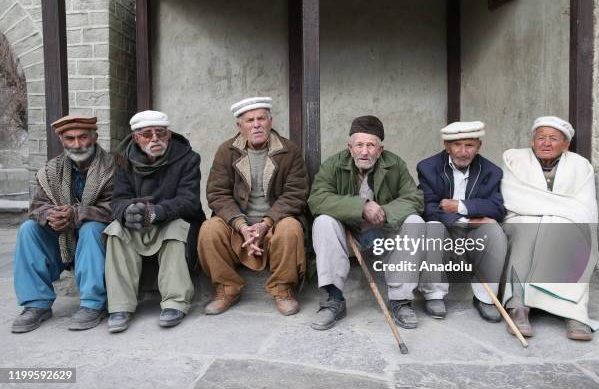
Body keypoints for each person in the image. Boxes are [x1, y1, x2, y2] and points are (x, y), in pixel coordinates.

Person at [308, 115, 426, 330]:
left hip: (384, 231)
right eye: (359, 145)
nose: (364, 151)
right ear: (350, 147)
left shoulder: (395, 164)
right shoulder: (333, 164)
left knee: (415, 221)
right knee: (323, 222)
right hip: (348, 232)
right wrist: (360, 207)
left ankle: (401, 300)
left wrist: (383, 212)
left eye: (371, 145)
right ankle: (334, 299)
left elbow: (414, 198)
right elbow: (317, 199)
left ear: (380, 150)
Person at [198, 97, 309, 316]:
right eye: (249, 120)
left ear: (270, 121)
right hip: (238, 226)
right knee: (209, 229)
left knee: (291, 228)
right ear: (240, 126)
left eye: (261, 119)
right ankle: (227, 289)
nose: (256, 124)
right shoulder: (226, 151)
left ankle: (283, 288)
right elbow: (217, 194)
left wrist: (265, 224)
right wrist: (241, 225)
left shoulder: (290, 150)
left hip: (274, 223)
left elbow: (295, 194)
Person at [104, 110, 205, 332]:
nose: (155, 139)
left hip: (174, 218)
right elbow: (118, 199)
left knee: (174, 230)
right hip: (141, 221)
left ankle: (175, 302)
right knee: (115, 231)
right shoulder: (123, 160)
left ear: (168, 135)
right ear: (136, 138)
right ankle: (120, 305)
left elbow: (190, 202)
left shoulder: (187, 157)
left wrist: (157, 212)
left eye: (160, 133)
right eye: (147, 134)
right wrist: (128, 210)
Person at [502, 116, 599, 341]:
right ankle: (518, 305)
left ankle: (574, 312)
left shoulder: (580, 165)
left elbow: (584, 207)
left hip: (567, 220)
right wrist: (557, 209)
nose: (546, 143)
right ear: (532, 141)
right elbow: (513, 197)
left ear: (565, 145)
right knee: (527, 229)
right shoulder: (514, 158)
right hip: (521, 217)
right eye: (540, 138)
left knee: (570, 232)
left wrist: (550, 212)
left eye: (553, 139)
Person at [12, 114, 113, 333]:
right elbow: (37, 206)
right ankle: (36, 304)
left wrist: (77, 214)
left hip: (98, 239)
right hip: (61, 238)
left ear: (94, 137)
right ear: (62, 141)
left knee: (90, 228)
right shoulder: (51, 171)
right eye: (70, 139)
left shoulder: (113, 167)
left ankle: (93, 304)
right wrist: (50, 215)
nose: (77, 145)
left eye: (83, 137)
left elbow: (116, 207)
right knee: (28, 229)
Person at [416, 121, 507, 322]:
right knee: (432, 227)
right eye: (457, 145)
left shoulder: (491, 172)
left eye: (470, 145)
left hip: (473, 232)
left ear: (479, 147)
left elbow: (497, 208)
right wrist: (466, 220)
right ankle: (434, 294)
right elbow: (428, 208)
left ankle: (486, 297)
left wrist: (459, 206)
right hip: (445, 226)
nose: (463, 152)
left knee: (495, 232)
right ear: (447, 146)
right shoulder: (428, 167)